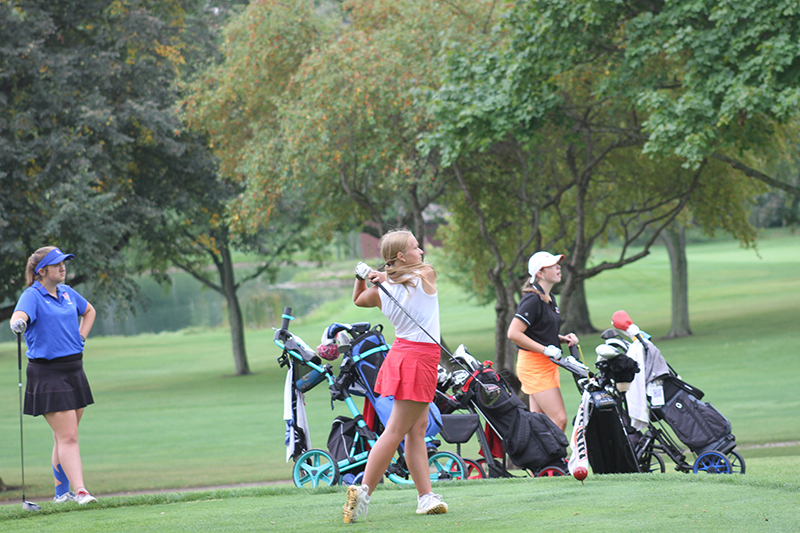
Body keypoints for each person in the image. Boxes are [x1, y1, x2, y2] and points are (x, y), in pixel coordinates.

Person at [342, 229, 447, 524]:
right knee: (396, 430)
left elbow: (360, 297)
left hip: (404, 354)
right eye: (415, 247)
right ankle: (363, 491)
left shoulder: (400, 281)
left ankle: (425, 497)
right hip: (417, 358)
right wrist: (369, 275)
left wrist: (364, 276)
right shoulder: (420, 277)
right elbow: (410, 276)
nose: (421, 252)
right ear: (401, 255)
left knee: (418, 428)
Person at [9, 246, 98, 505]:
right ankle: (80, 491)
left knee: (64, 436)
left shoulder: (67, 293)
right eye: (57, 264)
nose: (63, 267)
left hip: (74, 370)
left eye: (64, 263)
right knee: (68, 436)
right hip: (48, 374)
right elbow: (20, 315)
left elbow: (89, 311)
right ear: (41, 271)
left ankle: (61, 494)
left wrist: (80, 337)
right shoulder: (32, 295)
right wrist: (18, 322)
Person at [506, 251, 579, 433]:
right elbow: (514, 333)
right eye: (553, 265)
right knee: (559, 419)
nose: (558, 267)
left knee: (539, 422)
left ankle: (541, 461)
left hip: (546, 364)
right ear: (540, 273)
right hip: (534, 366)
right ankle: (554, 459)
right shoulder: (532, 300)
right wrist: (545, 349)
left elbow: (538, 332)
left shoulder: (549, 298)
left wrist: (562, 339)